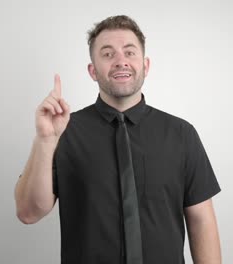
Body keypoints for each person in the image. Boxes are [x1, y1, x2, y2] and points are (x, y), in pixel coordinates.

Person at [15, 15, 222, 264]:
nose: (121, 61)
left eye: (129, 52)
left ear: (146, 65)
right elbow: (28, 212)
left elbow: (201, 220)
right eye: (108, 54)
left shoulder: (181, 134)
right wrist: (45, 141)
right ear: (93, 71)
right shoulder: (63, 131)